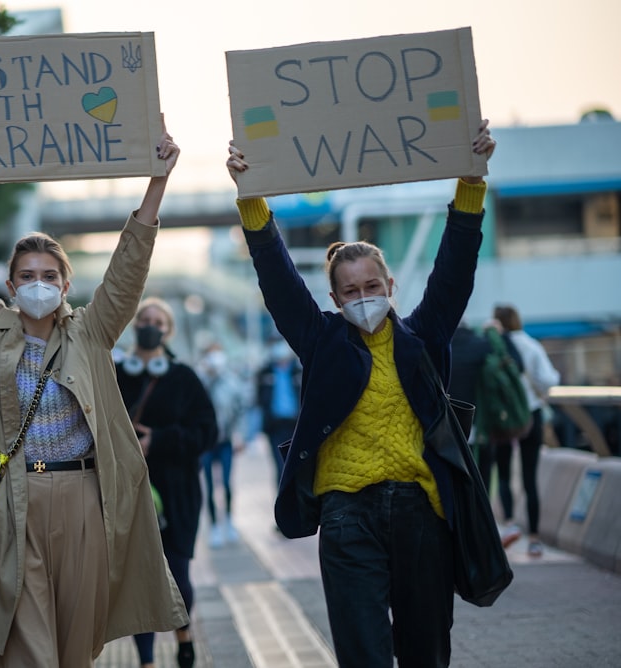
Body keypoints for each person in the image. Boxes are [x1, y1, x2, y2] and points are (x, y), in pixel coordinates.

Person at [0, 116, 188, 666]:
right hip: (14, 503)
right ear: (10, 285)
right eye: (27, 275)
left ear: (65, 284)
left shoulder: (93, 331)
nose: (38, 285)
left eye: (49, 276)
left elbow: (128, 270)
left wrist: (158, 182)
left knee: (76, 648)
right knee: (28, 650)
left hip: (83, 502)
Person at [226, 120, 496, 668]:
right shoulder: (321, 341)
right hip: (346, 516)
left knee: (426, 652)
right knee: (363, 656)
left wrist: (471, 182)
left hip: (422, 512)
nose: (363, 297)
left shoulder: (424, 338)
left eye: (372, 286)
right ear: (334, 297)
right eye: (350, 291)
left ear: (390, 286)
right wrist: (250, 198)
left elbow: (454, 272)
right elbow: (277, 279)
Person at [115, 297, 218, 668]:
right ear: (134, 323)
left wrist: (156, 440)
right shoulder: (113, 374)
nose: (151, 325)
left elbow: (207, 432)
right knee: (137, 579)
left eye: (159, 321)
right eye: (145, 318)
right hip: (128, 492)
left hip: (178, 494)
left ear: (168, 331)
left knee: (176, 572)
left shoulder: (183, 378)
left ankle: (184, 636)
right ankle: (146, 660)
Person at [491, 304, 561, 558]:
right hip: (531, 415)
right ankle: (534, 539)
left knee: (504, 473)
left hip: (502, 417)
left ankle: (509, 524)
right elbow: (549, 379)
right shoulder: (531, 345)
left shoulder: (493, 346)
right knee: (530, 478)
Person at [196, 341, 248, 548]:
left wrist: (240, 435)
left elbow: (241, 409)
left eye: (218, 354)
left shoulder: (231, 381)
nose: (215, 359)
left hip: (226, 441)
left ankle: (229, 520)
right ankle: (214, 527)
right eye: (211, 354)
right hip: (207, 443)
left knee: (226, 483)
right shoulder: (200, 380)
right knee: (208, 485)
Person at [448, 322, 493, 489]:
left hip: (448, 425)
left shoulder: (439, 346)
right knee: (483, 476)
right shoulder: (481, 345)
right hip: (480, 422)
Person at [255, 340, 302, 488]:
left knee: (298, 469)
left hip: (296, 426)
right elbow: (259, 400)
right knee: (280, 468)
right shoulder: (265, 373)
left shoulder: (298, 371)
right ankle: (284, 505)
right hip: (275, 427)